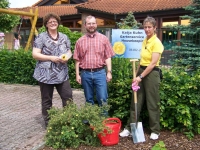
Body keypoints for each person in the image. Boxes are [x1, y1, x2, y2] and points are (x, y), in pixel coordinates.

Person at [119, 16, 164, 140]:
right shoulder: (145, 40)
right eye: (145, 27)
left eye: (149, 27)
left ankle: (155, 130)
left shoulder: (156, 43)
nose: (147, 29)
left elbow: (153, 63)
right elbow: (142, 60)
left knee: (152, 103)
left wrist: (140, 76)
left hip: (152, 74)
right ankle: (129, 127)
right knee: (135, 102)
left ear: (155, 28)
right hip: (142, 72)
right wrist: (136, 74)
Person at [32, 13, 73, 127]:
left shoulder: (64, 37)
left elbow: (69, 51)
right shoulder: (41, 37)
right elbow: (35, 54)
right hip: (46, 74)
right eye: (50, 22)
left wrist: (67, 57)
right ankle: (49, 124)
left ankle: (68, 121)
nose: (53, 23)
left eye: (55, 21)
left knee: (68, 97)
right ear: (46, 24)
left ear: (58, 23)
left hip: (62, 73)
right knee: (46, 100)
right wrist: (50, 58)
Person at [73, 15, 115, 107]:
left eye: (93, 23)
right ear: (85, 25)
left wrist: (109, 72)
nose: (91, 25)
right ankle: (91, 120)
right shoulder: (80, 41)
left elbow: (108, 56)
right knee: (88, 100)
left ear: (96, 24)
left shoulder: (104, 39)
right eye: (89, 23)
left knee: (103, 98)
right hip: (85, 74)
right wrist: (77, 75)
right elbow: (77, 59)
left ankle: (103, 120)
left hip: (100, 73)